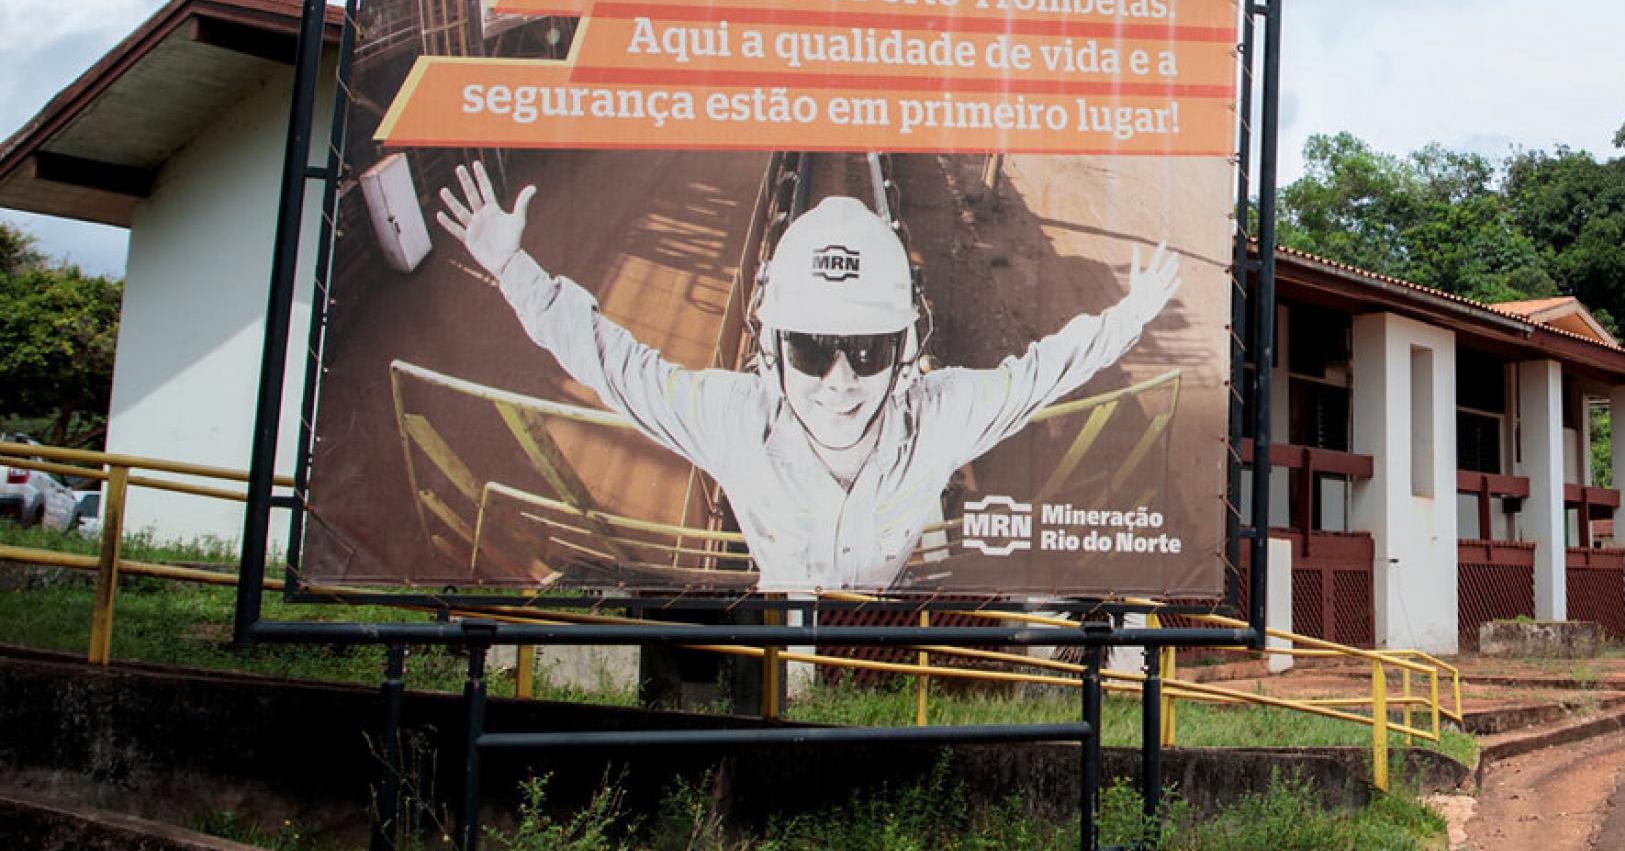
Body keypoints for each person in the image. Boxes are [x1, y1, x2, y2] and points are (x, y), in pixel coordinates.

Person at [435, 161, 1179, 594]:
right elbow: (614, 363)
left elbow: (1045, 371)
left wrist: (1132, 315)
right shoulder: (736, 420)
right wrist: (513, 269)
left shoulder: (939, 415)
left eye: (866, 352)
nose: (838, 381)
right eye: (813, 348)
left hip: (886, 641)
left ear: (904, 347)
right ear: (772, 343)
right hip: (771, 649)